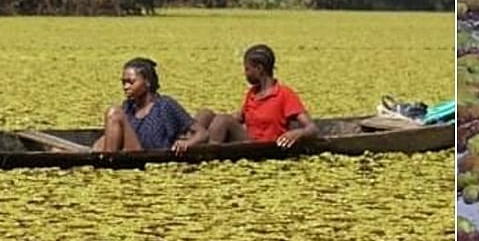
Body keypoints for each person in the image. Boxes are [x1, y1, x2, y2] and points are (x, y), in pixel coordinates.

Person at [174, 44, 318, 152]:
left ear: (260, 69)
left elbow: (312, 128)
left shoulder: (285, 94)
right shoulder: (253, 93)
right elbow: (239, 117)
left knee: (222, 121)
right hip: (246, 138)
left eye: (247, 69)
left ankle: (207, 153)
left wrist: (297, 133)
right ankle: (186, 143)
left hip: (261, 145)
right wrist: (209, 120)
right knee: (205, 114)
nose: (245, 73)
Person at [92, 58, 196, 152]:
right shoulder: (128, 106)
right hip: (133, 150)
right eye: (123, 83)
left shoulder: (165, 104)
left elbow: (202, 133)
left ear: (147, 82)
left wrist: (187, 143)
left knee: (114, 112)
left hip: (147, 154)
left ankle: (107, 161)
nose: (126, 87)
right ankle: (105, 159)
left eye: (131, 82)